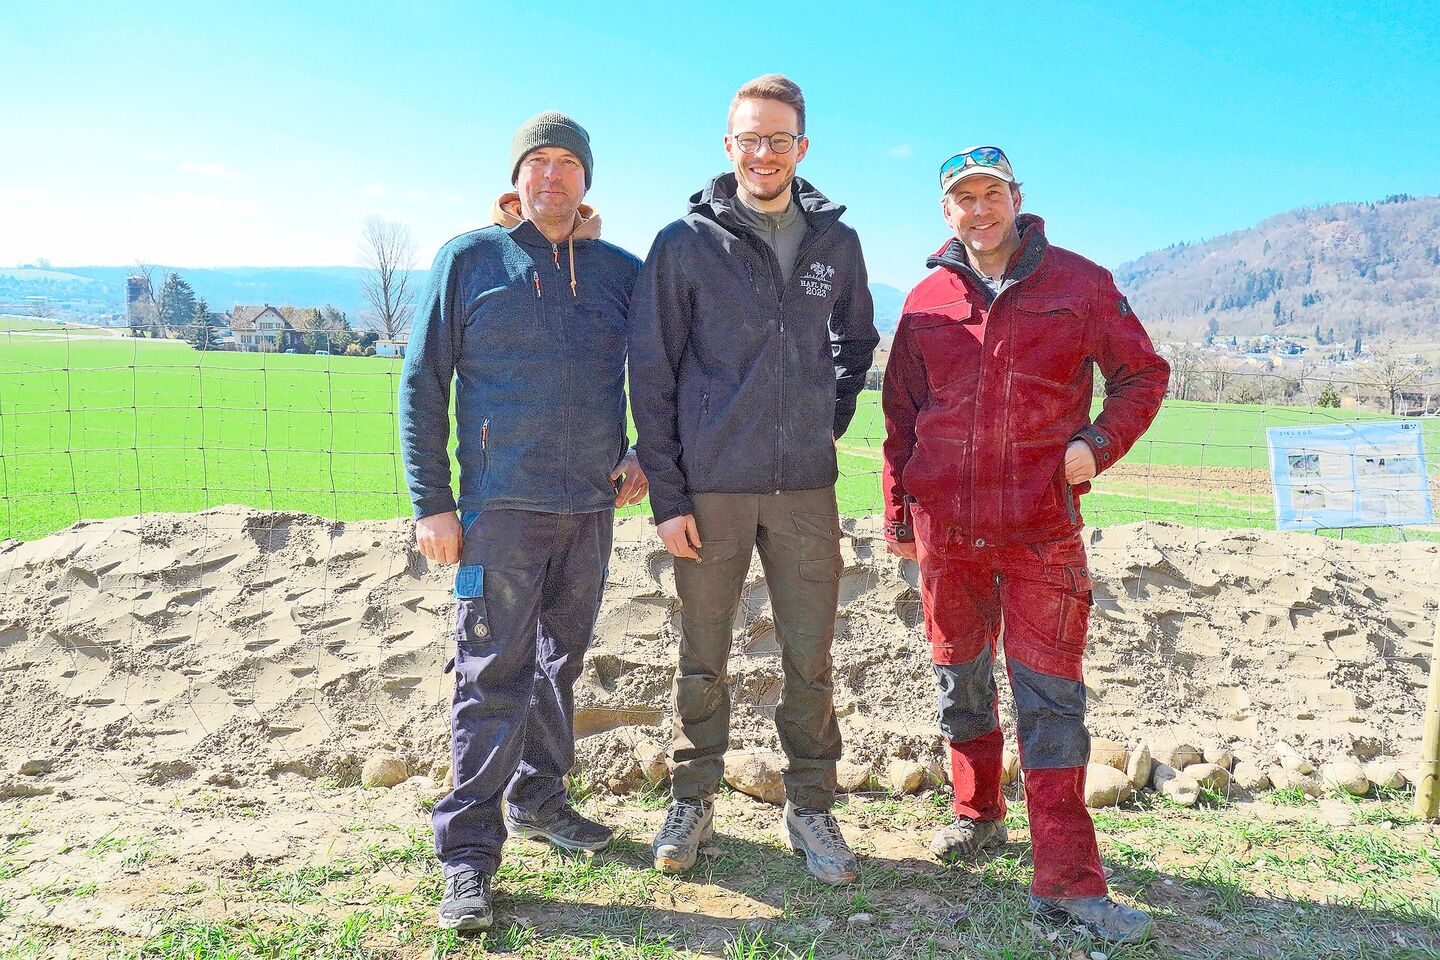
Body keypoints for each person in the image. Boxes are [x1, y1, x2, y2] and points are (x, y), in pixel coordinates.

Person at [881, 146, 1169, 943]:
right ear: (947, 211)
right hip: (947, 532)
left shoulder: (1080, 284)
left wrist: (1097, 446)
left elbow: (1144, 375)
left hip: (1041, 531)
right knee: (960, 680)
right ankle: (976, 814)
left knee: (1050, 702)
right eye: (963, 198)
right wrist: (900, 516)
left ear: (1017, 198)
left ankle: (1067, 885)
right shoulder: (927, 299)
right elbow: (901, 417)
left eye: (991, 194)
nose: (979, 210)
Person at [628, 74, 879, 885]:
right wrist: (670, 496)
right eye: (749, 139)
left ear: (801, 147)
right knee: (703, 654)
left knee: (810, 657)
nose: (763, 153)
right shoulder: (684, 243)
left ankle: (811, 807)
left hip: (805, 488)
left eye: (778, 139)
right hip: (712, 489)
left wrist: (823, 420)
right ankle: (692, 798)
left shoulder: (836, 243)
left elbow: (856, 343)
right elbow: (652, 373)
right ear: (728, 146)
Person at [399, 111, 647, 932]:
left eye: (567, 162)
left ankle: (539, 799)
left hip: (590, 510)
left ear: (586, 178)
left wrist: (645, 453)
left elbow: (664, 372)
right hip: (499, 510)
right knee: (489, 675)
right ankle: (468, 857)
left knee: (558, 664)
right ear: (516, 177)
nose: (551, 174)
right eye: (537, 161)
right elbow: (422, 382)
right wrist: (432, 502)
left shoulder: (619, 271)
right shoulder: (470, 259)